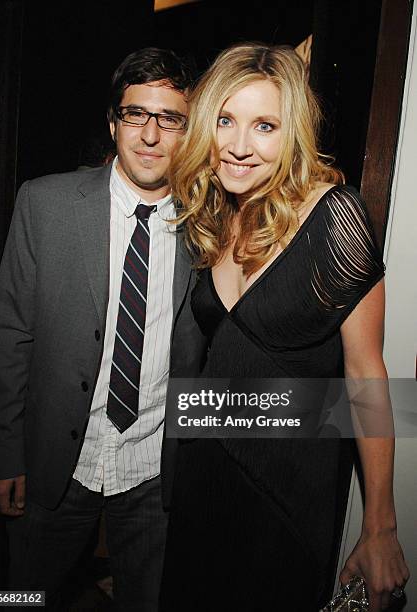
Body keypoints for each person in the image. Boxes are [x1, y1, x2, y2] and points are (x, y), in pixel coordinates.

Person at [159, 43, 409, 612]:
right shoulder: (217, 213)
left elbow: (367, 374)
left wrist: (380, 527)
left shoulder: (336, 218)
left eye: (264, 125)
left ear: (291, 130)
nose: (240, 147)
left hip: (289, 493)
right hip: (204, 476)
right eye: (226, 120)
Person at [0, 47, 206, 611]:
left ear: (190, 130)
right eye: (136, 115)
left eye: (170, 119)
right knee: (20, 596)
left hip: (154, 471)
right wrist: (4, 452)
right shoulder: (44, 203)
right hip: (56, 463)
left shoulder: (211, 222)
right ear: (113, 123)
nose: (150, 135)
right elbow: (10, 332)